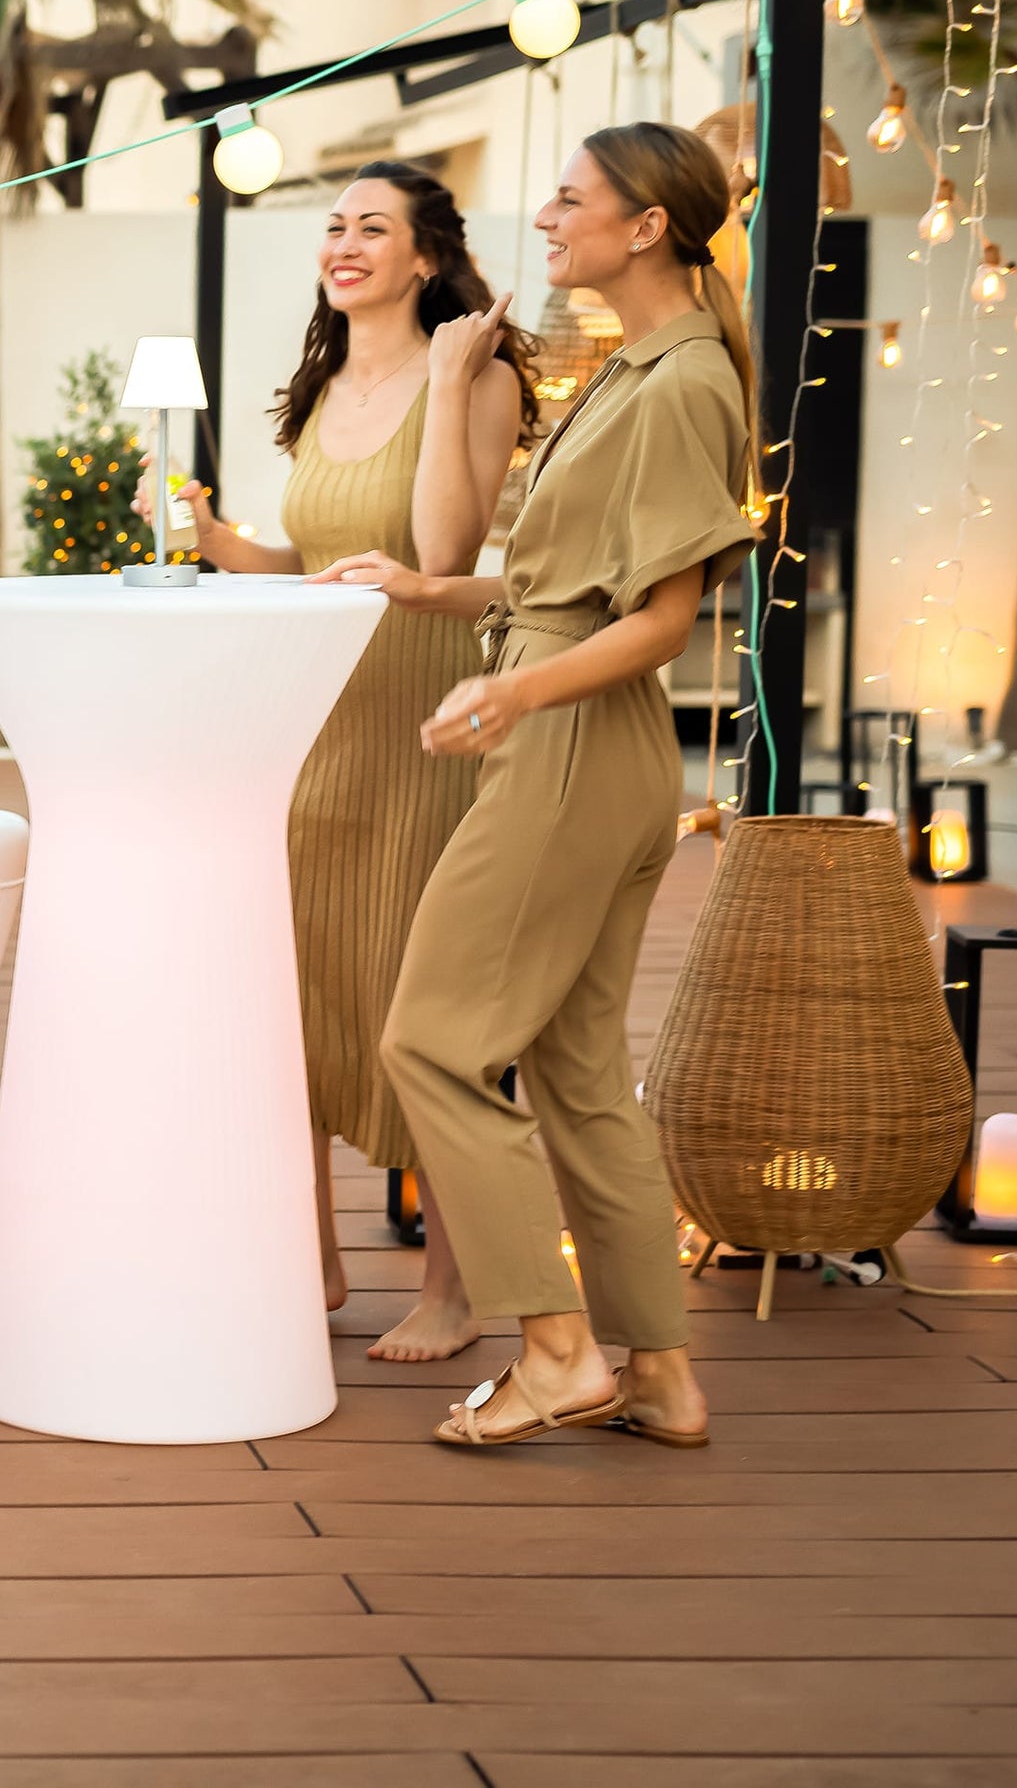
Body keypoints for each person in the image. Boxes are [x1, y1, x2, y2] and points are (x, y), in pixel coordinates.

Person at [315, 122, 759, 1448]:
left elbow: (661, 621)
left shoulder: (679, 383)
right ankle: (662, 1375)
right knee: (573, 1071)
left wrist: (510, 693)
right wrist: (428, 590)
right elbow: (562, 582)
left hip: (568, 742)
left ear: (645, 226)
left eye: (569, 201)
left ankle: (556, 1349)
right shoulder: (635, 365)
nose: (548, 220)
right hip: (586, 739)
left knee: (429, 1042)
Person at [139, 161, 539, 1360]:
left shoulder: (480, 377)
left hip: (426, 727)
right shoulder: (319, 387)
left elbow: (437, 552)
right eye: (333, 227)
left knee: (428, 1006)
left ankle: (454, 1290)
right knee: (302, 997)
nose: (344, 244)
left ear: (425, 257)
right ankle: (309, 1262)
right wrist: (215, 538)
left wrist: (450, 376)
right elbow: (316, 564)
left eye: (373, 227)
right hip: (313, 727)